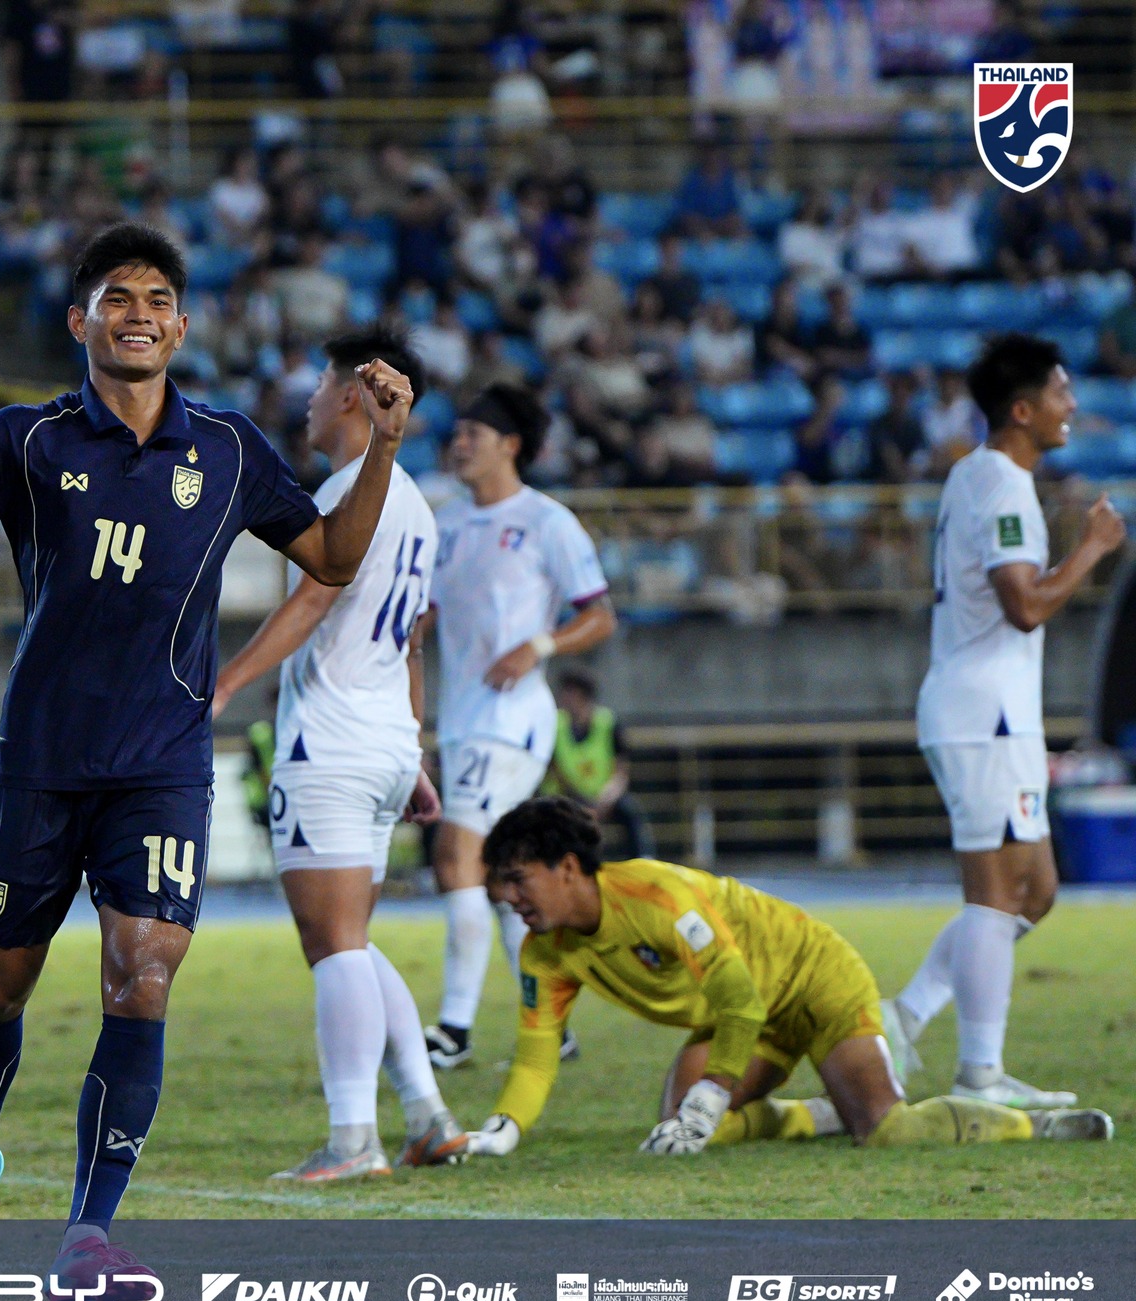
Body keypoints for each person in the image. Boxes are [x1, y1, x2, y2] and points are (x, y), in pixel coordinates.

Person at [0, 223, 409, 1289]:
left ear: (182, 326)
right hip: (40, 759)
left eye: (157, 299)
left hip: (161, 762)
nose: (138, 314)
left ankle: (88, 1233)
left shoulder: (229, 451)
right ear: (80, 321)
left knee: (142, 973)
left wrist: (381, 445)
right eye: (117, 298)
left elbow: (333, 557)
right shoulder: (26, 440)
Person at [453, 797, 1112, 1158]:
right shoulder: (545, 952)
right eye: (500, 885)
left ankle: (1034, 1127)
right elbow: (536, 1057)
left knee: (887, 1131)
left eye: (517, 879)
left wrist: (713, 1090)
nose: (507, 897)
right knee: (678, 1128)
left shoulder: (658, 897)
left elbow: (738, 998)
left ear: (568, 867)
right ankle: (815, 1114)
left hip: (814, 980)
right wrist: (503, 1130)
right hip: (749, 1017)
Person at [210, 326, 464, 1183]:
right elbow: (413, 642)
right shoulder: (418, 503)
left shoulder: (351, 490)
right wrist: (414, 750)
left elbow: (317, 599)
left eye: (321, 385)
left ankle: (354, 1138)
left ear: (353, 393)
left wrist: (228, 680)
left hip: (332, 736)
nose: (311, 400)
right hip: (384, 737)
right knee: (351, 937)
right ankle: (427, 1114)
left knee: (332, 943)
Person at [883, 334, 1128, 1109]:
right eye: (1060, 392)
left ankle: (904, 1015)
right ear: (1022, 410)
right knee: (996, 895)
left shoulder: (978, 473)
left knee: (1037, 889)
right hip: (981, 712)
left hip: (996, 712)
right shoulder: (1000, 484)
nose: (1072, 405)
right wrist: (1092, 549)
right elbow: (1024, 605)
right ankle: (979, 1076)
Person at [419, 382, 615, 1072]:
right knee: (505, 879)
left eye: (472, 433)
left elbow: (599, 613)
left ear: (510, 445)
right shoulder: (445, 524)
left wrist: (540, 645)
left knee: (456, 858)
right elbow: (425, 615)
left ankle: (454, 1028)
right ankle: (551, 1022)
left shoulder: (546, 521)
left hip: (510, 719)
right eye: (456, 433)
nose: (459, 444)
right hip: (462, 720)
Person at [543, 668, 653, 858]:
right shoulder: (555, 724)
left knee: (630, 813)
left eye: (568, 692)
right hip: (566, 796)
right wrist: (582, 802)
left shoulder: (608, 723)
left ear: (582, 695)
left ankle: (643, 861)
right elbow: (554, 770)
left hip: (602, 798)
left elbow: (620, 771)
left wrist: (606, 799)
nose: (562, 698)